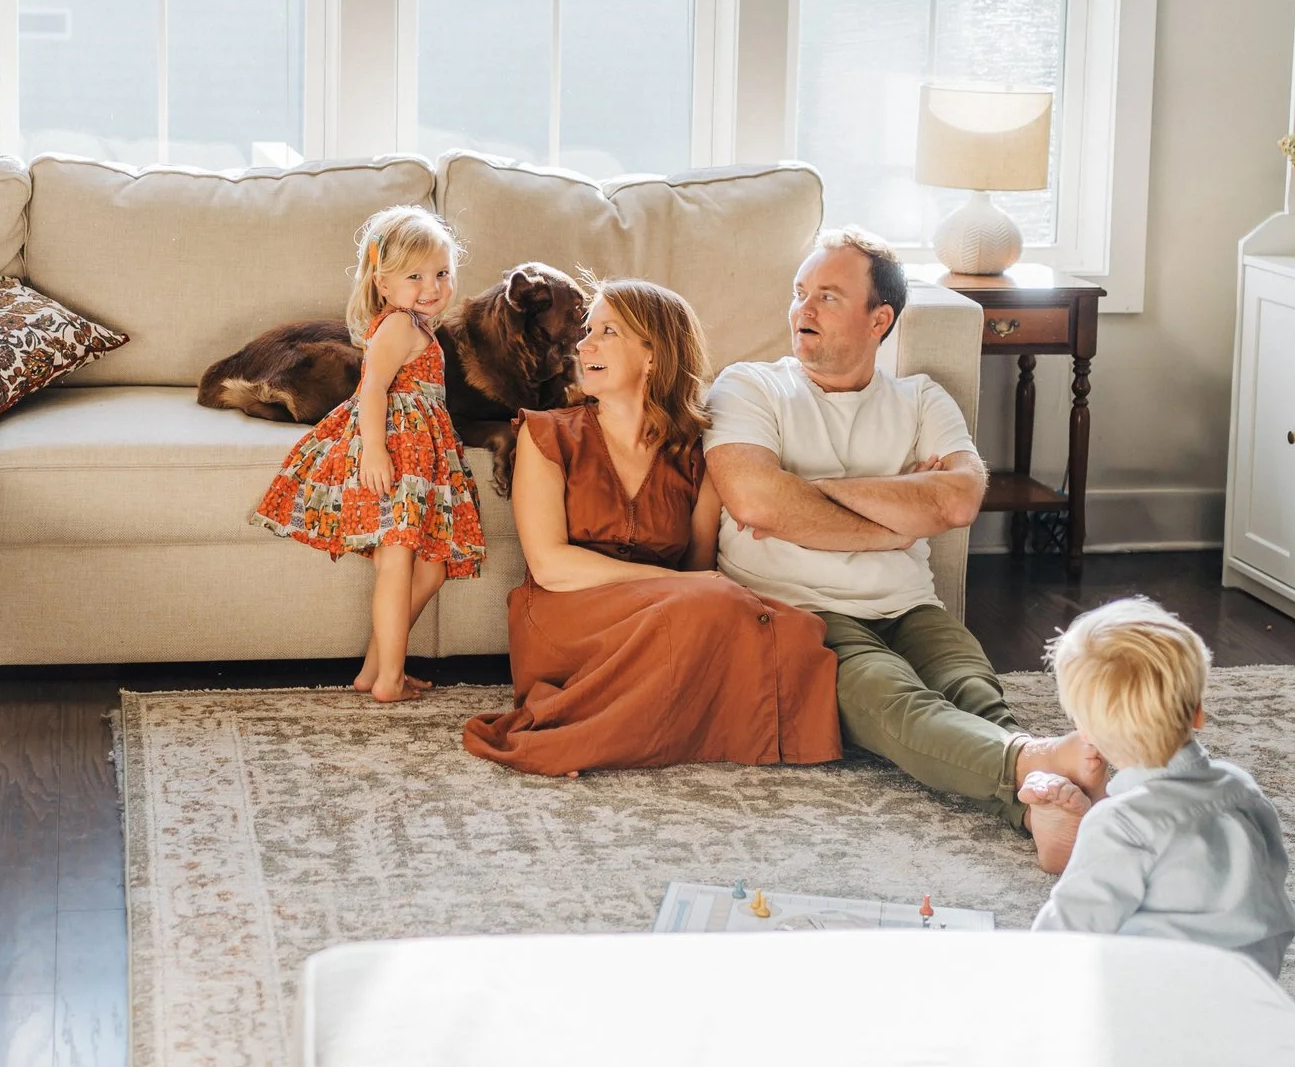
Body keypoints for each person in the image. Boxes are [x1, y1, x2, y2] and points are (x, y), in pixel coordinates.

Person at [704, 226, 1106, 871]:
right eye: (800, 292)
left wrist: (810, 489)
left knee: (974, 691)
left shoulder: (920, 398)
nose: (803, 309)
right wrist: (897, 513)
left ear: (879, 319)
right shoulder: (749, 387)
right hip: (800, 609)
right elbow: (756, 502)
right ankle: (1041, 771)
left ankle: (1039, 803)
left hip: (909, 603)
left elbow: (958, 502)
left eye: (828, 296)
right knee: (896, 703)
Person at [463, 280, 842, 775]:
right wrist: (676, 584)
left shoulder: (696, 454)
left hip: (661, 619)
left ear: (653, 356)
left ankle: (635, 726)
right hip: (565, 616)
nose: (583, 344)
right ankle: (580, 734)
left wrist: (691, 589)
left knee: (794, 631)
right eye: (588, 330)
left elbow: (698, 567)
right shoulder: (546, 432)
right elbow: (551, 566)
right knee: (717, 604)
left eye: (608, 332)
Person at [251, 206, 487, 702]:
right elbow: (374, 389)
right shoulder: (398, 325)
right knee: (398, 565)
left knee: (430, 569)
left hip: (420, 456)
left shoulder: (417, 325)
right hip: (396, 452)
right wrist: (376, 452)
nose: (433, 287)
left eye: (442, 273)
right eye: (415, 276)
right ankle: (389, 680)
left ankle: (374, 671)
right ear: (382, 282)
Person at [1026, 598, 1295, 977]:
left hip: (1165, 992)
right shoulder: (1242, 788)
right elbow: (1273, 876)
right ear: (1199, 712)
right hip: (1255, 980)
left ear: (1087, 734)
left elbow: (1069, 930)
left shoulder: (1121, 823)